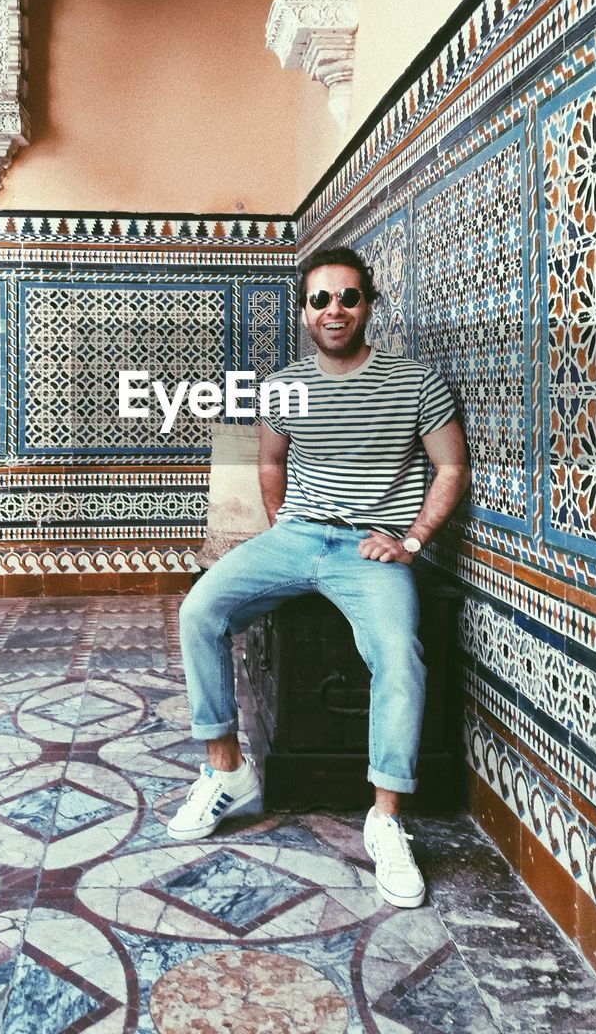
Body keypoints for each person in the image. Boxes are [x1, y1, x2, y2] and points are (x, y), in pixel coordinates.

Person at [167, 245, 471, 909]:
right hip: (297, 537)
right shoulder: (284, 387)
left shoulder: (416, 383)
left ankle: (386, 819)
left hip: (370, 551)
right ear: (304, 313)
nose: (335, 310)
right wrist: (282, 529)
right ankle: (226, 772)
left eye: (348, 297)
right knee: (200, 612)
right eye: (321, 300)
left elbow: (450, 469)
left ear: (369, 305)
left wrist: (412, 541)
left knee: (400, 658)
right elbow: (271, 461)